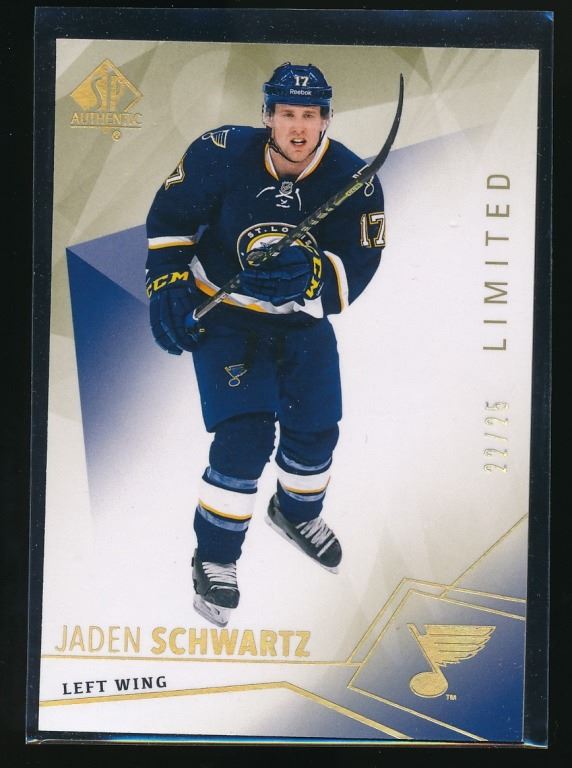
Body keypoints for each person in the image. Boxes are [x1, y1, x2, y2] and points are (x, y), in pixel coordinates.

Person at [145, 62, 386, 626]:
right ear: (267, 116)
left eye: (310, 115)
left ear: (326, 119)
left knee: (316, 431)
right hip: (225, 317)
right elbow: (171, 219)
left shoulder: (355, 180)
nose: (298, 127)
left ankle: (296, 513)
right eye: (287, 114)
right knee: (245, 436)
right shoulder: (220, 151)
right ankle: (215, 558)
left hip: (299, 323)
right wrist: (167, 285)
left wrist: (313, 275)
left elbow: (361, 263)